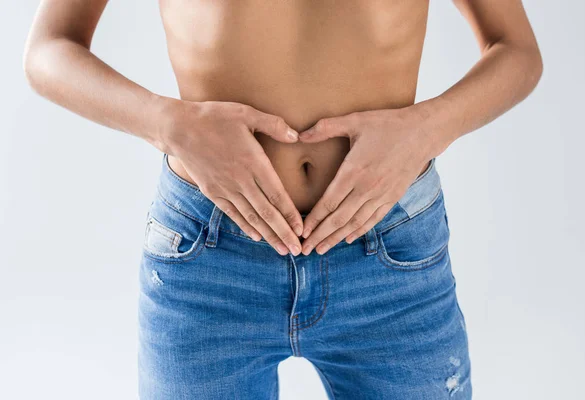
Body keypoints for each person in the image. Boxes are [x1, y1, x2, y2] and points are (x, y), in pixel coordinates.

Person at [23, 1, 542, 398]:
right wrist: (169, 124)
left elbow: (515, 48)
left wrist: (427, 128)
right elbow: (49, 49)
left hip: (390, 259)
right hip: (207, 259)